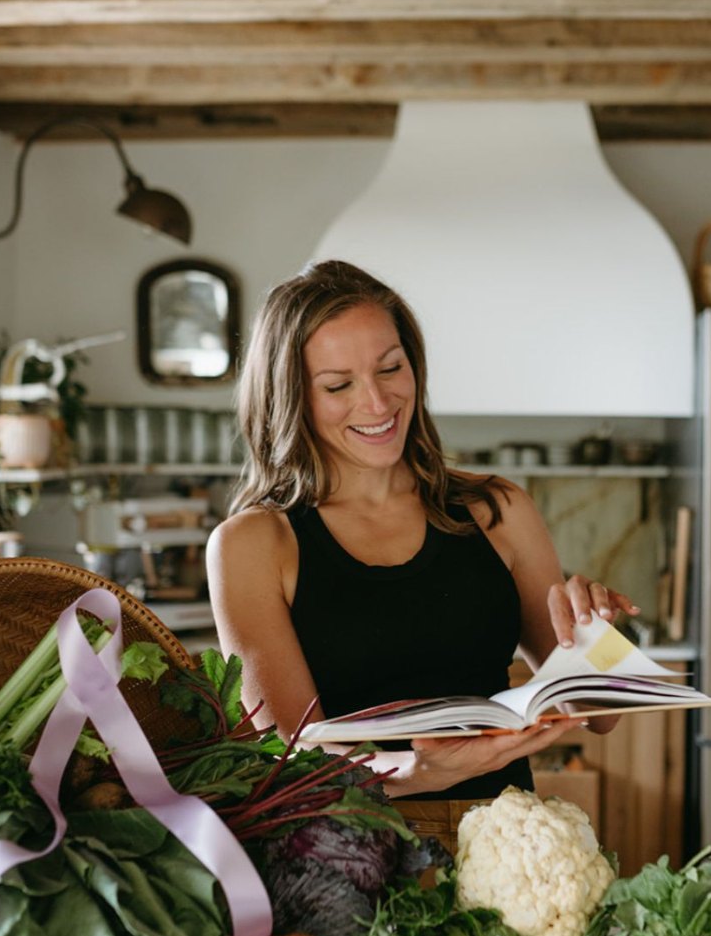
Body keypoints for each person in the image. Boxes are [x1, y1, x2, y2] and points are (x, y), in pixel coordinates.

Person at [206, 259, 638, 824]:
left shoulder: (497, 510)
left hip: (501, 839)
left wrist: (603, 639)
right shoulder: (255, 544)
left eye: (390, 368)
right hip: (349, 850)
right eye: (339, 385)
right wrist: (415, 774)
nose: (379, 403)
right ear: (290, 398)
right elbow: (287, 760)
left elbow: (599, 714)